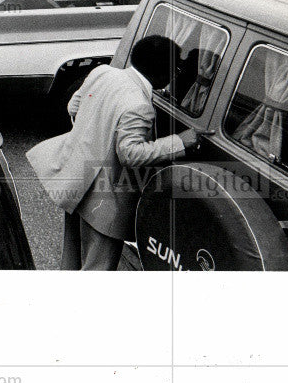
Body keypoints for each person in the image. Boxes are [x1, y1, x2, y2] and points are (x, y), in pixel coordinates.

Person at [28, 35, 198, 270]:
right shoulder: (139, 105)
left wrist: (97, 135)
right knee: (97, 271)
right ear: (163, 74)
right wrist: (179, 141)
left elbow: (73, 106)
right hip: (105, 204)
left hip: (76, 182)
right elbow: (130, 154)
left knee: (70, 262)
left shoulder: (102, 72)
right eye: (175, 69)